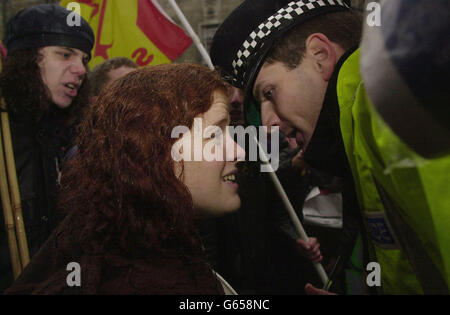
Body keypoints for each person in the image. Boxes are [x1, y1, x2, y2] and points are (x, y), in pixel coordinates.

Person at [210, 0, 450, 294]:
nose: (268, 123)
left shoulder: (391, 112)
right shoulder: (359, 128)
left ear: (320, 55)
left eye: (269, 93)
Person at [5, 63, 249, 294]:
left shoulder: (118, 242)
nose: (239, 151)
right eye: (215, 134)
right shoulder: (147, 282)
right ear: (152, 151)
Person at [0, 4, 94, 293]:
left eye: (84, 59)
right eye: (65, 54)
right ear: (27, 60)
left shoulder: (67, 138)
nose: (80, 69)